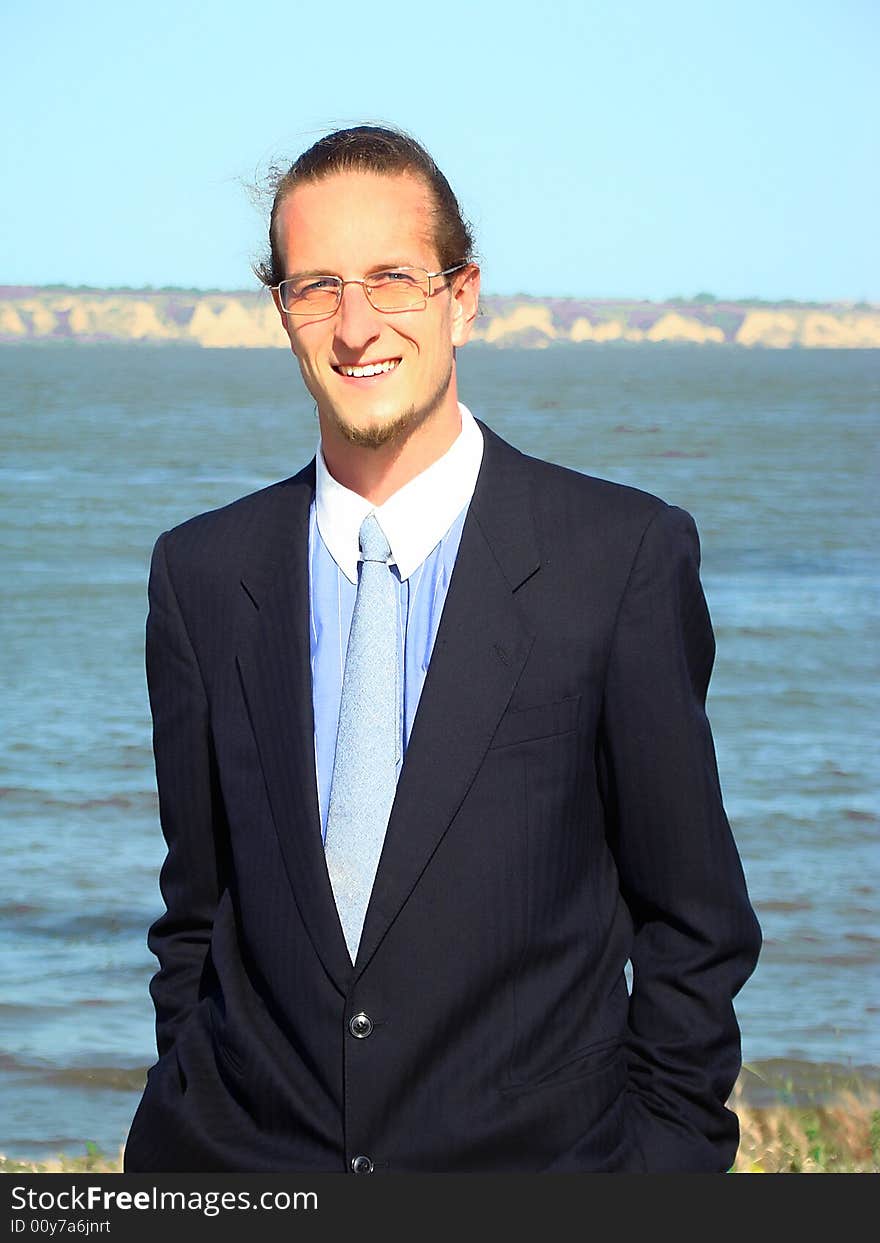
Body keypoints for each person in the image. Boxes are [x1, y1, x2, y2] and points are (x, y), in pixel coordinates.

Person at [124, 125, 761, 1174]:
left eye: (392, 279)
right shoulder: (200, 576)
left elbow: (694, 922)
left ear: (462, 296)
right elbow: (196, 912)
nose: (355, 325)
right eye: (317, 286)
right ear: (281, 310)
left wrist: (664, 1167)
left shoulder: (617, 558)